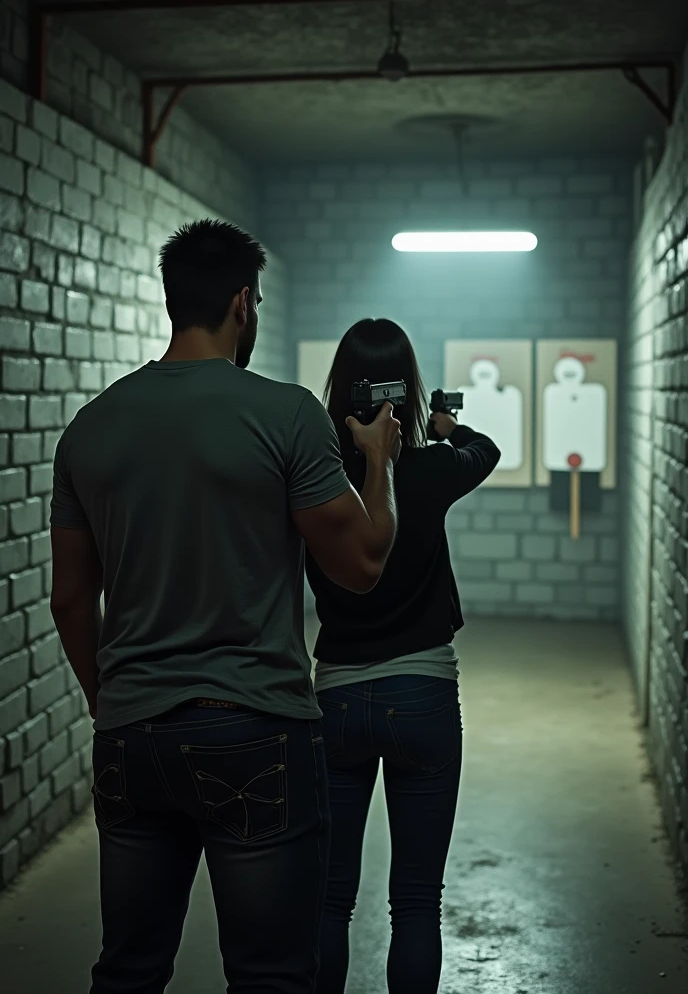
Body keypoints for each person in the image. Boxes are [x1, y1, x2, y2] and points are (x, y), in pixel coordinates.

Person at [49, 219, 401, 994]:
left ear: (177, 301)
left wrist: (111, 701)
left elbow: (71, 598)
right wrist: (378, 464)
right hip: (257, 730)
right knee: (271, 975)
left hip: (130, 734)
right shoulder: (284, 414)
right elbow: (362, 564)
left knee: (129, 971)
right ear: (243, 303)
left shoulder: (90, 426)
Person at [306, 319, 501, 994]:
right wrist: (446, 427)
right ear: (406, 389)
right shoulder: (430, 466)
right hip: (423, 695)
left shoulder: (314, 475)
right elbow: (488, 450)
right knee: (416, 904)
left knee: (329, 902)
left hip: (332, 699)